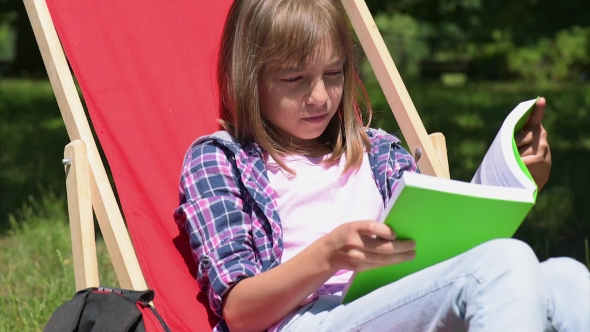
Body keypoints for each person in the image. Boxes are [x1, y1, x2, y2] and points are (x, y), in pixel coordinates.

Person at [173, 1, 590, 331]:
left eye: (333, 73)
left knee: (566, 277)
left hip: (392, 304)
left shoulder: (377, 152)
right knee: (502, 265)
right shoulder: (220, 159)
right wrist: (329, 255)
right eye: (294, 79)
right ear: (250, 78)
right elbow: (240, 314)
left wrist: (517, 180)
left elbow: (448, 243)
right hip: (302, 320)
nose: (319, 95)